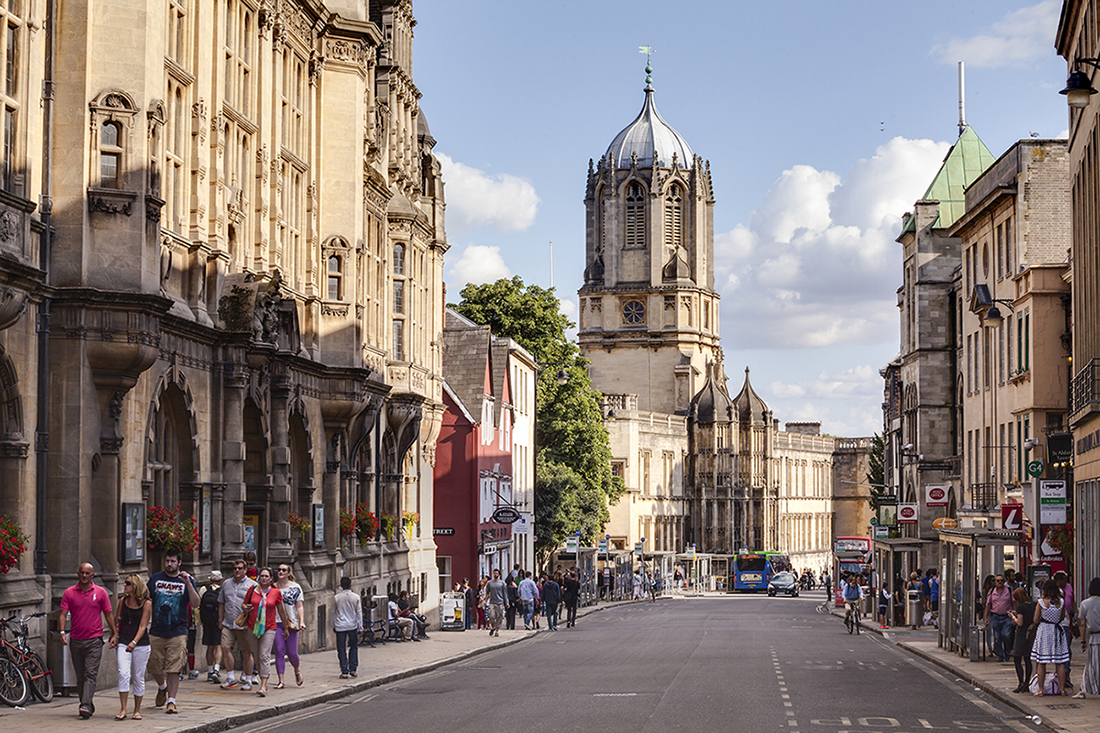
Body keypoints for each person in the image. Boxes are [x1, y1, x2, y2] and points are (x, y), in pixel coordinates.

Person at [59, 562, 117, 719]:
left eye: (87, 573)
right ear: (78, 574)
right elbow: (63, 614)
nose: (84, 576)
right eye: (82, 573)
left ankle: (84, 705)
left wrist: (114, 633)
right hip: (76, 639)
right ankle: (87, 704)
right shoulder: (69, 593)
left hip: (94, 640)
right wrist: (62, 632)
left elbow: (108, 614)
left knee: (90, 673)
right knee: (80, 676)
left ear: (92, 575)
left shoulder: (101, 592)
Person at [148, 547, 201, 714]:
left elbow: (195, 603)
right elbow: (145, 599)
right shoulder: (156, 579)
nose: (169, 564)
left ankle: (171, 701)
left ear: (179, 563)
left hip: (178, 630)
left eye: (172, 561)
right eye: (167, 561)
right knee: (154, 666)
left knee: (174, 667)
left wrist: (188, 584)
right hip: (157, 630)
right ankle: (162, 687)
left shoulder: (186, 580)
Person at [244, 567, 289, 696]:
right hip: (253, 627)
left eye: (266, 576)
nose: (263, 578)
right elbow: (244, 604)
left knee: (264, 655)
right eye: (262, 576)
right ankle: (263, 679)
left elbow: (281, 611)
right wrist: (246, 608)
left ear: (271, 579)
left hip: (269, 627)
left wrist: (285, 627)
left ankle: (263, 685)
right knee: (257, 657)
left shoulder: (276, 592)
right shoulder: (252, 590)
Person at [113, 574, 152, 720]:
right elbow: (118, 621)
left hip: (141, 644)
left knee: (138, 676)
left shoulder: (146, 604)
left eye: (128, 583)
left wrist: (134, 642)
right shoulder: (122, 601)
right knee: (123, 673)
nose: (124, 585)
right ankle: (123, 708)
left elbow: (143, 626)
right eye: (125, 583)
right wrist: (116, 636)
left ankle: (137, 709)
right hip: (123, 641)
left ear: (136, 586)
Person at [218, 559, 258, 691]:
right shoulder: (226, 583)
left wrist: (250, 623)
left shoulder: (252, 585)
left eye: (240, 568)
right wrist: (220, 620)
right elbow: (221, 602)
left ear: (245, 570)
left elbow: (256, 606)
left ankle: (248, 679)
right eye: (235, 568)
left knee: (246, 652)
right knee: (225, 647)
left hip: (244, 625)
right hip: (228, 623)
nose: (237, 570)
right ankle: (230, 677)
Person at [1032, 578, 1070, 697]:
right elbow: (1062, 617)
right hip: (1057, 631)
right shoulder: (1061, 602)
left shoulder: (1041, 602)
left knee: (1042, 662)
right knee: (1060, 662)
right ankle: (1062, 689)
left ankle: (1041, 689)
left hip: (1045, 631)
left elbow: (1035, 619)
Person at [274, 564, 305, 688]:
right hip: (277, 622)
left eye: (284, 570)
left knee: (292, 652)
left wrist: (301, 621)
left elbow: (299, 606)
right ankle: (281, 680)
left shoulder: (295, 587)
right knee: (279, 650)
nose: (281, 572)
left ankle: (297, 670)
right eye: (279, 570)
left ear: (288, 572)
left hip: (292, 623)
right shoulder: (273, 587)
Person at [1075, 577, 1100, 699]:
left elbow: (1083, 624)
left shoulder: (1084, 604)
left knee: (1092, 665)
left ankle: (1087, 688)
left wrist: (1083, 641)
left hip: (1094, 637)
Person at [196, 570, 223, 683]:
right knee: (218, 646)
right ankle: (216, 669)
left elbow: (197, 606)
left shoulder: (203, 589)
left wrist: (201, 621)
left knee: (209, 647)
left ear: (210, 579)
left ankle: (209, 671)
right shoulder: (222, 590)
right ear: (220, 580)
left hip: (207, 622)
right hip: (218, 622)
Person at [332, 577, 362, 678]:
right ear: (350, 585)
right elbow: (359, 613)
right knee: (353, 646)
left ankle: (344, 670)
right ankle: (353, 668)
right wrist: (360, 627)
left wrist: (333, 624)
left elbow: (333, 612)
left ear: (341, 586)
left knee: (341, 648)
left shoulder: (337, 597)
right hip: (352, 625)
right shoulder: (356, 597)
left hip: (340, 625)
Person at [1011, 587, 1036, 693]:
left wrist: (1013, 617)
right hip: (1031, 635)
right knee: (1027, 659)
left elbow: (1020, 622)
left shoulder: (1021, 607)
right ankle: (1027, 682)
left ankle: (1021, 682)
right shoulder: (1033, 605)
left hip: (1022, 635)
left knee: (1017, 659)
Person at [984, 573, 1014, 663]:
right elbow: (988, 604)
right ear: (995, 582)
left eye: (1001, 580)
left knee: (1006, 635)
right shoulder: (992, 591)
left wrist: (1014, 613)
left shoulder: (1009, 590)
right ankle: (1000, 655)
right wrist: (986, 617)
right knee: (997, 637)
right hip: (996, 617)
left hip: (1007, 616)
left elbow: (1014, 602)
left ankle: (1007, 652)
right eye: (998, 581)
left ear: (1004, 581)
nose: (1000, 582)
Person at [485, 569, 507, 637]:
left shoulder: (502, 583)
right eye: (494, 573)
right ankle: (493, 627)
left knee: (499, 617)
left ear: (499, 574)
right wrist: (485, 601)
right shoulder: (490, 583)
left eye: (497, 573)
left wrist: (507, 602)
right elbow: (487, 592)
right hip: (492, 602)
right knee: (491, 616)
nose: (495, 575)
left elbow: (505, 593)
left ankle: (497, 631)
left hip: (500, 602)